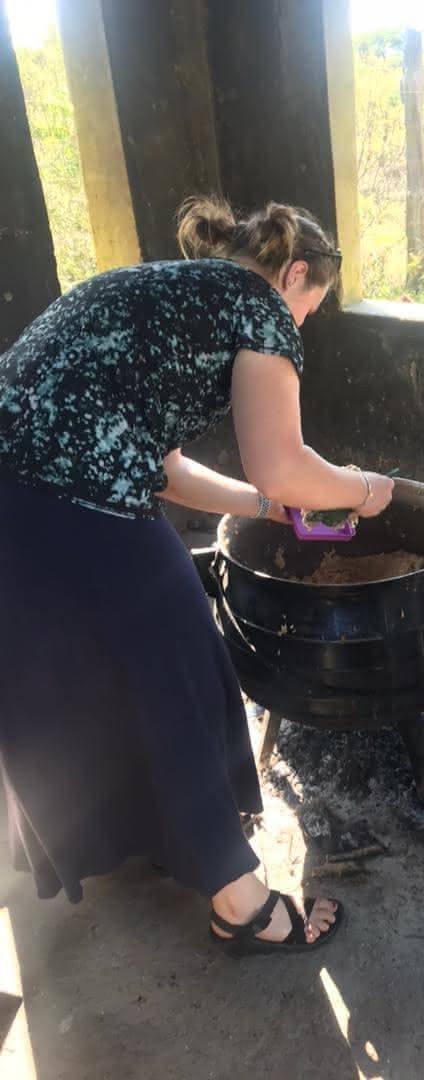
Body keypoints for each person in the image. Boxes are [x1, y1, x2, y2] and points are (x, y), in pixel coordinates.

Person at [0, 195, 394, 955]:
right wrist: (365, 488)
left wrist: (267, 509)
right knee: (174, 671)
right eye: (310, 308)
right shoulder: (258, 307)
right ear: (295, 273)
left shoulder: (163, 289)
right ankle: (243, 909)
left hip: (16, 505)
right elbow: (281, 459)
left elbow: (167, 470)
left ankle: (135, 836)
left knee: (73, 675)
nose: (301, 326)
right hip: (76, 502)